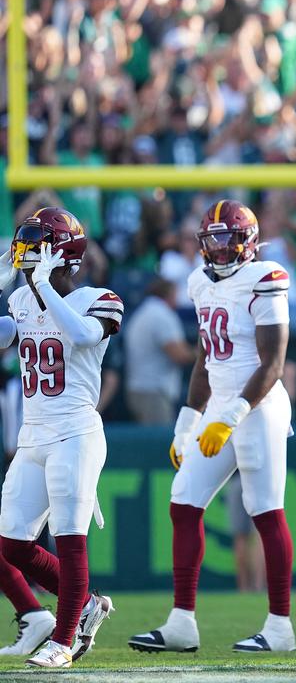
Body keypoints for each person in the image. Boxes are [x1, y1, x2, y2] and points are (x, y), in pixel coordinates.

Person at [129, 200, 295, 654]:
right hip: (219, 407)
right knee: (183, 501)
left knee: (264, 509)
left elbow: (274, 364)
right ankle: (182, 622)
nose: (220, 250)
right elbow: (206, 356)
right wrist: (189, 421)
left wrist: (231, 415)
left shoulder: (266, 278)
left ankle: (280, 627)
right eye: (213, 240)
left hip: (257, 408)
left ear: (248, 243)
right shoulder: (199, 282)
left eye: (228, 240)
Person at [0, 208, 120, 667]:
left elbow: (85, 334)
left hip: (75, 431)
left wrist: (46, 287)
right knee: (11, 544)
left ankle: (64, 641)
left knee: (70, 539)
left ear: (63, 253)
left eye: (36, 244)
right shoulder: (23, 300)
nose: (26, 253)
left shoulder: (99, 298)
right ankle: (86, 605)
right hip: (33, 435)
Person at [123, 277, 195, 424]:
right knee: (159, 445)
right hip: (153, 391)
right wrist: (205, 349)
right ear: (169, 294)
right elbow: (179, 356)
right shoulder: (161, 315)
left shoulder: (146, 310)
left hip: (141, 388)